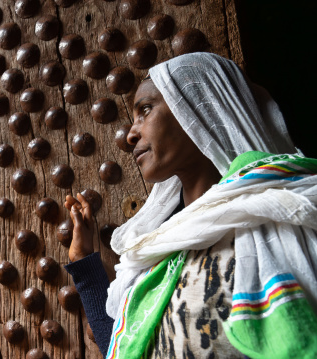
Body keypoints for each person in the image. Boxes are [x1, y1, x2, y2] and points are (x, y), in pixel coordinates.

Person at [64, 52, 317, 359]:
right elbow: (125, 348)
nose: (131, 134)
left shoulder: (283, 215)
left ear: (197, 109)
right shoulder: (156, 254)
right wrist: (84, 262)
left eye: (145, 110)